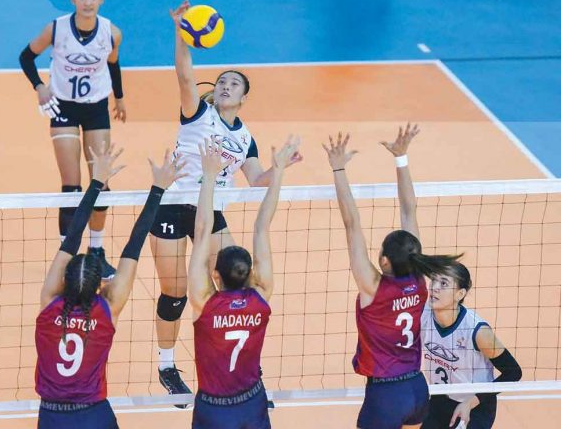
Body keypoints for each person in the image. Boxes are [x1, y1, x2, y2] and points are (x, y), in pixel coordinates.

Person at [149, 0, 303, 401]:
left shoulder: (245, 137)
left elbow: (257, 180)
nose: (225, 85)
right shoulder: (197, 112)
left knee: (234, 286)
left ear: (244, 97)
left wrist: (280, 165)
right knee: (176, 293)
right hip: (172, 206)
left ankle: (245, 369)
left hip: (211, 210)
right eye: (221, 80)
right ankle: (167, 366)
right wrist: (181, 32)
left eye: (233, 83)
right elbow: (184, 76)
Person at [35, 143, 185, 428]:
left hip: (52, 416)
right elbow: (134, 246)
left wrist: (94, 183)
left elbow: (71, 238)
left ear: (63, 281)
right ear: (99, 286)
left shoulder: (49, 303)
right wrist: (158, 189)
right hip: (94, 415)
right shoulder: (107, 309)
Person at [324, 124, 461, 429]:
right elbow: (409, 210)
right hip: (416, 387)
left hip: (386, 394)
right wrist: (402, 159)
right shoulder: (419, 279)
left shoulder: (372, 287)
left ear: (383, 260)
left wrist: (338, 169)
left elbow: (351, 224)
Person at [19, 0, 126, 278]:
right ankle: (68, 258)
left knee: (101, 184)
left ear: (101, 0)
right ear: (73, 0)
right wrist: (39, 86)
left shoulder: (112, 33)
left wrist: (119, 98)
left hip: (96, 110)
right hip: (63, 106)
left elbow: (113, 64)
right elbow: (26, 57)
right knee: (72, 185)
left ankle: (96, 251)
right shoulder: (56, 28)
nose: (88, 2)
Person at [186, 137, 297, 428]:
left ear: (216, 276)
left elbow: (201, 230)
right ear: (250, 273)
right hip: (252, 402)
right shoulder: (261, 295)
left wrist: (208, 177)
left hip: (214, 407)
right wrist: (279, 170)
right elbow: (262, 227)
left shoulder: (204, 301)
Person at [421, 262, 522, 428]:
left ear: (460, 294)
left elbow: (513, 373)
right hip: (438, 399)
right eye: (433, 281)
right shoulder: (424, 313)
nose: (434, 288)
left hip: (475, 406)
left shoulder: (478, 332)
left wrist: (470, 402)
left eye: (444, 283)